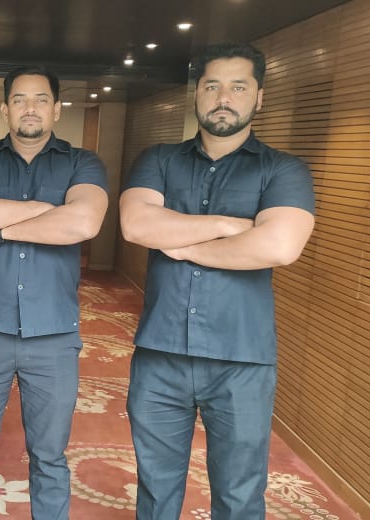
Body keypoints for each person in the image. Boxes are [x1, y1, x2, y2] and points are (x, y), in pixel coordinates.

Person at [119, 43, 316, 518]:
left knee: (239, 492)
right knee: (156, 487)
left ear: (259, 97)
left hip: (242, 360)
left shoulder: (283, 169)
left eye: (238, 86)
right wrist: (232, 226)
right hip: (161, 353)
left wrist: (181, 242)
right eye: (212, 86)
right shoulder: (159, 158)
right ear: (197, 95)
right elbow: (137, 226)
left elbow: (279, 246)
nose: (222, 97)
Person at [0, 66, 109, 520]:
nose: (29, 108)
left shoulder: (83, 162)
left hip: (53, 335)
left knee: (50, 455)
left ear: (56, 108)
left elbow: (83, 223)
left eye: (40, 99)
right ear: (4, 108)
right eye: (19, 99)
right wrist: (44, 213)